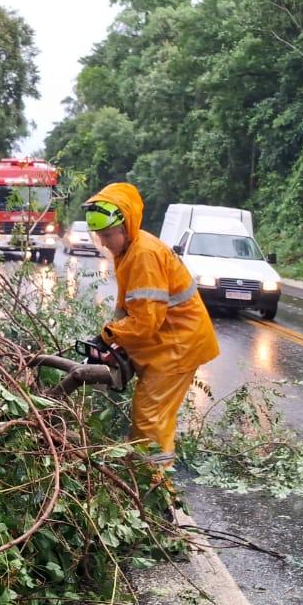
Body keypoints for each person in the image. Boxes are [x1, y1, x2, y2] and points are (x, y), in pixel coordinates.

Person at [84, 183, 219, 468]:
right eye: (100, 237)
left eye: (108, 235)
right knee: (156, 415)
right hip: (168, 343)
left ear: (125, 227)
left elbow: (145, 323)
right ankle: (147, 473)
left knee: (150, 416)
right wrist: (110, 337)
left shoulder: (144, 255)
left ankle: (154, 484)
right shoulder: (130, 250)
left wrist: (109, 335)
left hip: (176, 347)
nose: (104, 243)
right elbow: (128, 307)